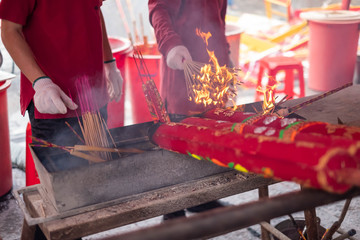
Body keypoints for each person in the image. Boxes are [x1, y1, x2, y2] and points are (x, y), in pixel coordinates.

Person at [0, 0, 123, 148]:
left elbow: (95, 8)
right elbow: (10, 30)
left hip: (94, 95)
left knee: (101, 164)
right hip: (52, 99)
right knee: (59, 169)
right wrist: (41, 83)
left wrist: (109, 62)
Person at [148, 0, 231, 220]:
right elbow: (159, 9)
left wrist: (226, 58)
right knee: (177, 143)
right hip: (182, 68)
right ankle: (174, 211)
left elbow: (218, 19)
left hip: (212, 72)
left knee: (208, 138)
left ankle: (203, 198)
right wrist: (170, 44)